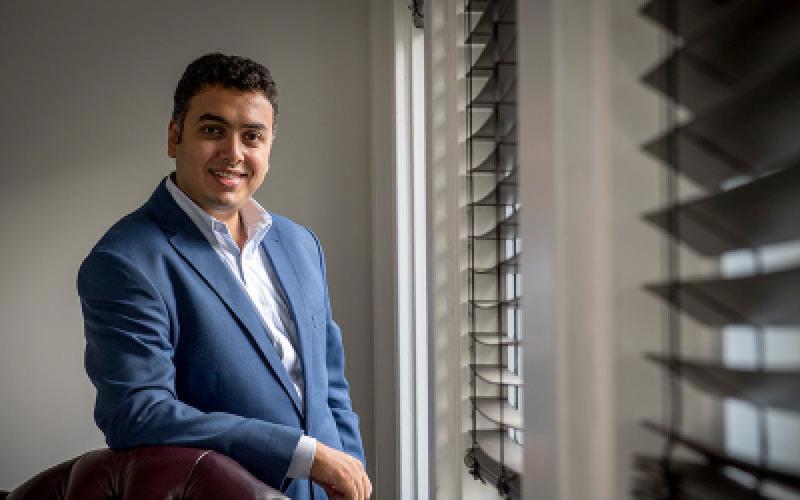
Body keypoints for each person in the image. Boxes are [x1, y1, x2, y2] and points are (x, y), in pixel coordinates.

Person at [77, 53, 371, 500]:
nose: (234, 154)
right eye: (213, 130)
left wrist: (351, 472)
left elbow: (331, 386)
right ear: (175, 136)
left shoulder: (300, 244)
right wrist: (302, 454)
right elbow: (136, 412)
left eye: (252, 136)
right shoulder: (126, 261)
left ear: (269, 146)